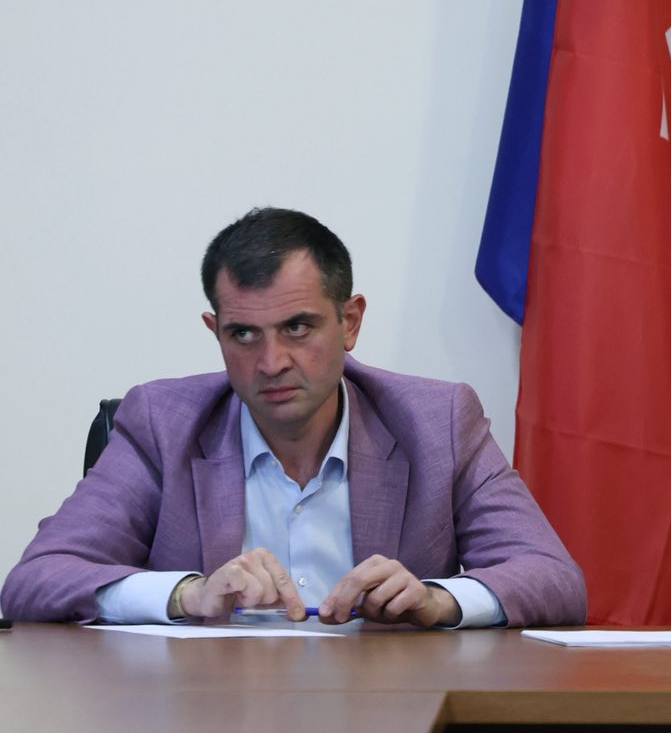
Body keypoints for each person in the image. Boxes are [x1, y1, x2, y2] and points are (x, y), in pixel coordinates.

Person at [1, 208, 585, 627]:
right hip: (205, 721)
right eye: (243, 334)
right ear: (215, 331)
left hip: (384, 715)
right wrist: (188, 595)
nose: (271, 362)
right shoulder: (162, 423)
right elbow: (35, 579)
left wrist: (438, 599)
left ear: (349, 322)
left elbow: (553, 577)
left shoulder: (438, 421)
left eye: (298, 327)